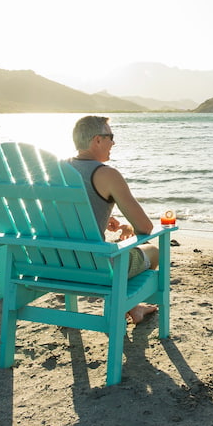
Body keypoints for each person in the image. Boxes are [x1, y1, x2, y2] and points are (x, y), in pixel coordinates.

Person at [67, 115, 161, 324]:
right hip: (95, 269)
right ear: (97, 140)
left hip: (51, 263)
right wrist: (130, 228)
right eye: (110, 136)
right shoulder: (106, 174)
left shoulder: (55, 169)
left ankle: (134, 307)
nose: (113, 142)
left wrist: (101, 216)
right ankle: (129, 304)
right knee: (154, 252)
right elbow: (145, 227)